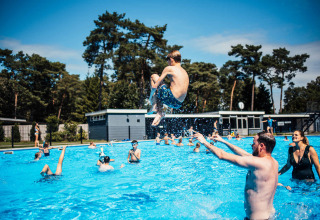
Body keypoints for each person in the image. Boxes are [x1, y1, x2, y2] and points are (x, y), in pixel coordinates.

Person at [194, 131, 278, 219]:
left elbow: (222, 155)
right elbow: (244, 154)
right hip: (270, 216)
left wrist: (204, 141)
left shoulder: (258, 163)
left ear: (261, 146)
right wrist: (224, 141)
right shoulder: (273, 162)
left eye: (254, 144)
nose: (252, 146)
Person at [148, 50, 189, 126]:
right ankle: (160, 112)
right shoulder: (184, 72)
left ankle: (157, 109)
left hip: (171, 98)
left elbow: (154, 87)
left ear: (171, 59)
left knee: (153, 76)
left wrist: (150, 98)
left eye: (167, 61)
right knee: (163, 90)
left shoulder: (169, 68)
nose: (167, 63)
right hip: (179, 104)